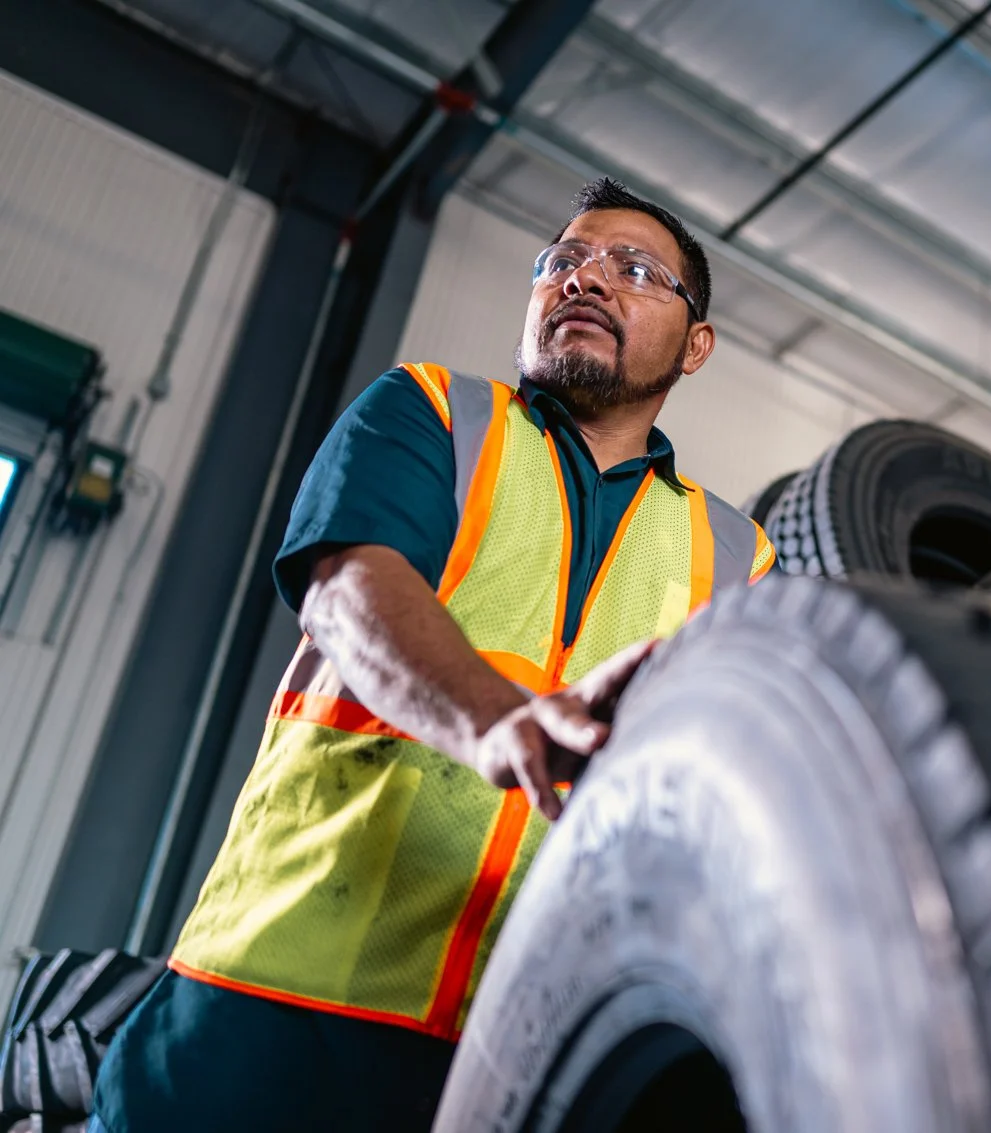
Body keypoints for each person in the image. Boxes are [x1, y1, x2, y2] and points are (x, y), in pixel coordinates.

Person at [90, 178, 775, 1132]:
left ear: (696, 345)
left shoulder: (742, 557)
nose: (586, 280)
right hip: (279, 997)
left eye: (635, 270)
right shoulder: (436, 414)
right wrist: (500, 722)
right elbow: (350, 585)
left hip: (514, 1056)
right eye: (564, 260)